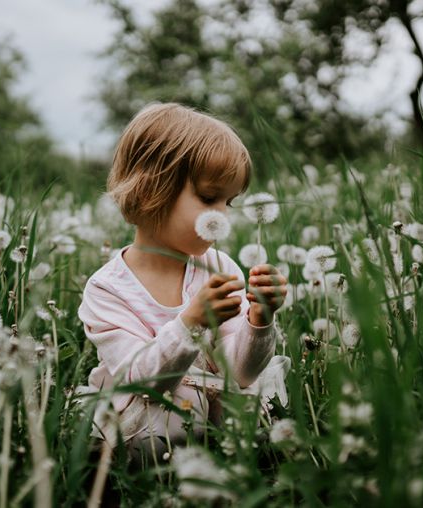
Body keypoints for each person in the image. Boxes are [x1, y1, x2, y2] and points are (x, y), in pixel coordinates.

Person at [77, 103, 290, 464]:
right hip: (147, 413)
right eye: (209, 198)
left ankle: (229, 454)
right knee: (168, 420)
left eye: (229, 201)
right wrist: (190, 325)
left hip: (214, 403)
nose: (220, 213)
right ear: (149, 190)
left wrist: (260, 319)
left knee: (253, 410)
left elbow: (241, 373)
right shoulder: (107, 290)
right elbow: (143, 383)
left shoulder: (219, 267)